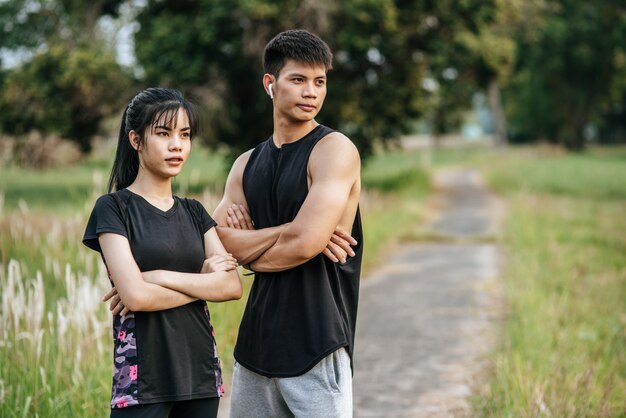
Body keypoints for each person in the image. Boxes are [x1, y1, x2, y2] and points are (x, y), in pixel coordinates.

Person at [212, 29, 363, 418]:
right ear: (270, 84)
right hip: (255, 348)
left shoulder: (334, 150)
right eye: (298, 79)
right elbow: (215, 242)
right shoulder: (245, 164)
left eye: (319, 82)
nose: (311, 92)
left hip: (317, 343)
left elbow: (303, 244)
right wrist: (293, 232)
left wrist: (253, 250)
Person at [82, 87, 242, 418]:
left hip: (199, 374)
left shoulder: (195, 211)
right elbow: (136, 297)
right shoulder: (113, 209)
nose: (177, 145)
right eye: (163, 133)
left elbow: (231, 287)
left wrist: (159, 276)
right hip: (142, 380)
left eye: (184, 135)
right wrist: (201, 281)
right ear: (136, 140)